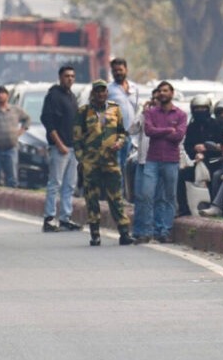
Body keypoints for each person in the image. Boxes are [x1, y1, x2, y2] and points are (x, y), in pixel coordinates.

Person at [74, 79, 133, 246]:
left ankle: (124, 232)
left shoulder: (114, 109)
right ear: (93, 93)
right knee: (92, 198)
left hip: (111, 161)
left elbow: (122, 132)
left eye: (103, 91)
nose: (101, 94)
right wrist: (81, 159)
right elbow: (77, 138)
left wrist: (119, 143)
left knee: (116, 197)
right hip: (91, 163)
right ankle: (95, 233)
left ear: (107, 92)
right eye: (97, 91)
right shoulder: (84, 112)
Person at [134, 80, 187, 243]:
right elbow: (149, 131)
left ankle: (164, 230)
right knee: (147, 195)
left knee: (169, 197)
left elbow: (179, 135)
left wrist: (162, 132)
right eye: (160, 91)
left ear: (172, 93)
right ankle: (146, 231)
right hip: (152, 159)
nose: (163, 93)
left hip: (171, 160)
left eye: (166, 90)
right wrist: (168, 130)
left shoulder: (181, 114)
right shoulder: (150, 113)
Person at [41, 64, 82, 233]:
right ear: (60, 77)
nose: (70, 79)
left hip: (72, 148)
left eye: (72, 76)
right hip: (60, 147)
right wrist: (59, 144)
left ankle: (65, 218)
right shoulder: (53, 96)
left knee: (69, 185)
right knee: (55, 183)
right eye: (67, 76)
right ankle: (49, 219)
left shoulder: (71, 96)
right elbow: (48, 122)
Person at [106, 57, 141, 197]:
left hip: (133, 135)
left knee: (131, 167)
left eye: (120, 70)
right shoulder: (109, 89)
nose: (118, 73)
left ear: (126, 70)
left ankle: (130, 196)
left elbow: (138, 109)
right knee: (117, 167)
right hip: (116, 135)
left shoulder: (134, 88)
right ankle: (117, 197)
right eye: (115, 71)